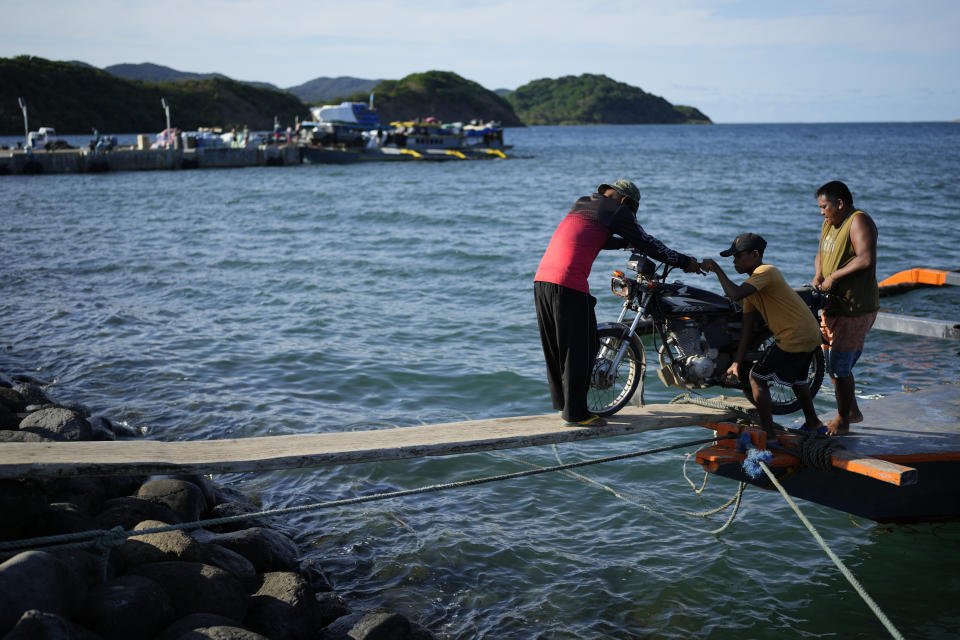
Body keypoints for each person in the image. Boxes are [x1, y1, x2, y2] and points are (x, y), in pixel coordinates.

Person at [533, 179, 702, 427]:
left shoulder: (584, 203)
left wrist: (625, 242)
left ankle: (565, 406)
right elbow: (649, 243)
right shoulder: (618, 210)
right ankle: (577, 414)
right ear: (625, 202)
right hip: (568, 284)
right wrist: (684, 261)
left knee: (558, 346)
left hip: (542, 281)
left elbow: (595, 238)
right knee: (583, 346)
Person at [702, 233, 825, 440]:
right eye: (732, 258)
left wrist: (716, 268)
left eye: (738, 256)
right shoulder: (752, 287)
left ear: (755, 254)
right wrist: (736, 363)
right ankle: (814, 423)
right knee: (798, 380)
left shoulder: (767, 271)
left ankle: (769, 435)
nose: (734, 262)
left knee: (756, 377)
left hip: (793, 335)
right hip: (810, 333)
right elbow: (747, 329)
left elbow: (734, 294)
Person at [812, 181, 879, 435]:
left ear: (840, 203)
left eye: (824, 206)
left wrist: (834, 277)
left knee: (840, 366)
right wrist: (819, 274)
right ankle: (850, 410)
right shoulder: (829, 223)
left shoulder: (858, 221)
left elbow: (865, 258)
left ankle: (843, 420)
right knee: (828, 363)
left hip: (855, 308)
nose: (821, 212)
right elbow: (820, 252)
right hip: (831, 306)